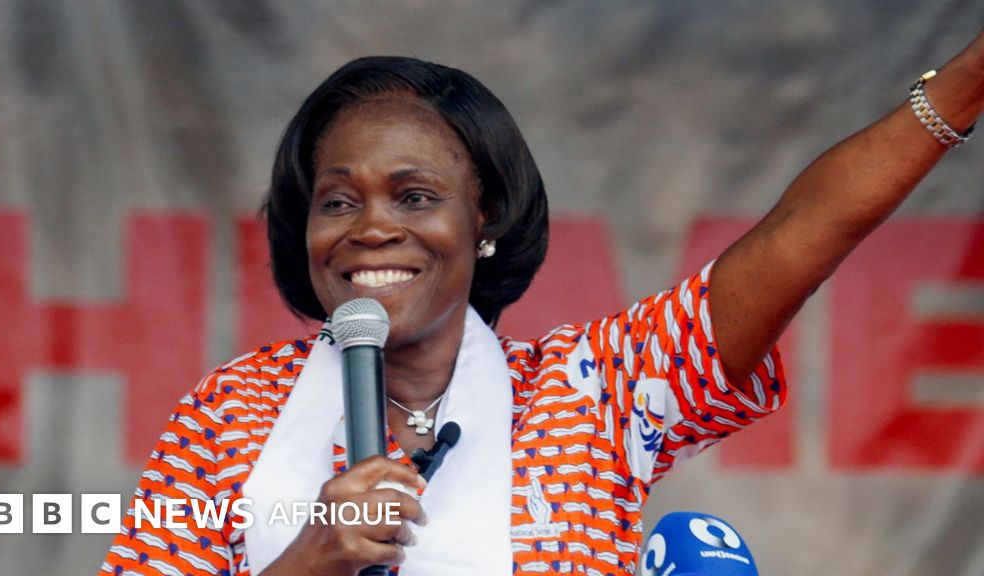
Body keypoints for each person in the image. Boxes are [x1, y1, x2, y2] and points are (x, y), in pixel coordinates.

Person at [99, 30, 984, 576]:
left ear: (484, 218)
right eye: (337, 201)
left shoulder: (589, 395)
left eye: (414, 196)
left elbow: (801, 234)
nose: (371, 228)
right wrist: (307, 563)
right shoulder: (229, 414)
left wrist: (967, 81)